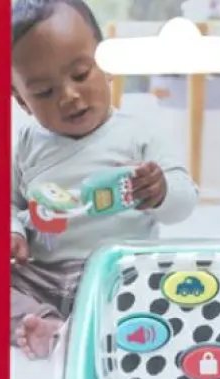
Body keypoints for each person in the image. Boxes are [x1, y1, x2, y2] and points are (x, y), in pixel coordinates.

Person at [11, 0, 198, 358]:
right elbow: (6, 203)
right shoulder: (25, 144)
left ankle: (108, 332)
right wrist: (14, 232)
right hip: (43, 274)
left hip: (119, 271)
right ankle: (48, 327)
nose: (69, 96)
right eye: (45, 92)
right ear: (21, 99)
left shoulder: (138, 136)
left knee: (162, 291)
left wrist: (161, 192)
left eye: (81, 74)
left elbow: (184, 201)